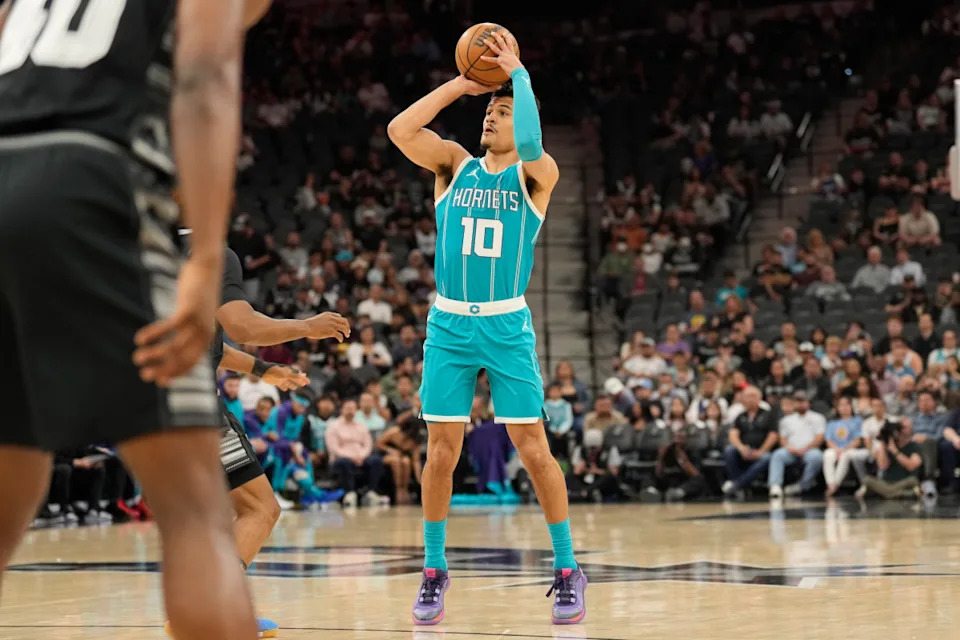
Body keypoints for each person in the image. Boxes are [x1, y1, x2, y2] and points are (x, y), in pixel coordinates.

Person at [0, 2, 272, 639]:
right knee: (196, 510)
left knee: (13, 469)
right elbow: (205, 76)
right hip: (88, 182)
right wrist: (206, 255)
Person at [389, 30, 585, 625]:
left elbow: (529, 140)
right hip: (449, 323)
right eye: (490, 111)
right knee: (440, 454)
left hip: (505, 326)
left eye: (501, 111)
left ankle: (568, 567)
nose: (492, 118)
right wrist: (460, 84)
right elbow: (400, 131)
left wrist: (518, 76)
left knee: (533, 449)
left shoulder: (535, 174)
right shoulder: (453, 165)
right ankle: (433, 569)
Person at [325, 399, 386, 507]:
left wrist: (361, 456)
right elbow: (334, 448)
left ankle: (371, 491)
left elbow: (368, 445)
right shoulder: (333, 426)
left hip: (360, 457)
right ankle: (349, 493)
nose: (350, 411)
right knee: (344, 462)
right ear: (341, 410)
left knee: (376, 460)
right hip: (342, 457)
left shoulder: (361, 426)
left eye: (353, 409)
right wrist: (352, 457)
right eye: (347, 408)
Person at [722, 387, 778, 498]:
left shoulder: (769, 414)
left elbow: (773, 435)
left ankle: (737, 484)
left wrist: (761, 451)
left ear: (759, 398)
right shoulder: (740, 416)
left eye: (753, 396)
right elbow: (733, 434)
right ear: (742, 399)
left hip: (762, 450)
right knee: (729, 450)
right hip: (745, 450)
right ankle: (739, 484)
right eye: (747, 396)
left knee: (766, 458)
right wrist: (741, 448)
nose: (750, 399)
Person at [769, 391, 826, 499]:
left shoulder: (818, 418)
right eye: (798, 401)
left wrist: (805, 448)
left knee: (817, 457)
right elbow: (782, 439)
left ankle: (802, 484)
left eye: (803, 401)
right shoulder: (786, 420)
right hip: (791, 450)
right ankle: (775, 485)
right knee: (777, 455)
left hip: (810, 450)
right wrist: (789, 448)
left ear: (808, 403)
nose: (801, 404)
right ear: (794, 403)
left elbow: (819, 438)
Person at [855, 418, 923, 499]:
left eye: (905, 427)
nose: (902, 430)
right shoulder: (889, 445)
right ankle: (902, 494)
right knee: (866, 479)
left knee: (913, 480)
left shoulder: (915, 446)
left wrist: (895, 451)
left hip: (904, 482)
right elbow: (883, 466)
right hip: (886, 482)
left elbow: (912, 466)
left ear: (911, 430)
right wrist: (883, 443)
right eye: (900, 427)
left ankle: (886, 493)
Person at [822, 397, 867, 497]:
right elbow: (828, 440)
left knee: (845, 456)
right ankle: (830, 484)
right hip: (835, 449)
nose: (844, 407)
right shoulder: (832, 423)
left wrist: (844, 449)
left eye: (847, 404)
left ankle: (835, 485)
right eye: (841, 405)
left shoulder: (857, 421)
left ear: (851, 406)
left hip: (850, 449)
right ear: (837, 408)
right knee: (827, 454)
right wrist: (837, 449)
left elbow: (857, 440)